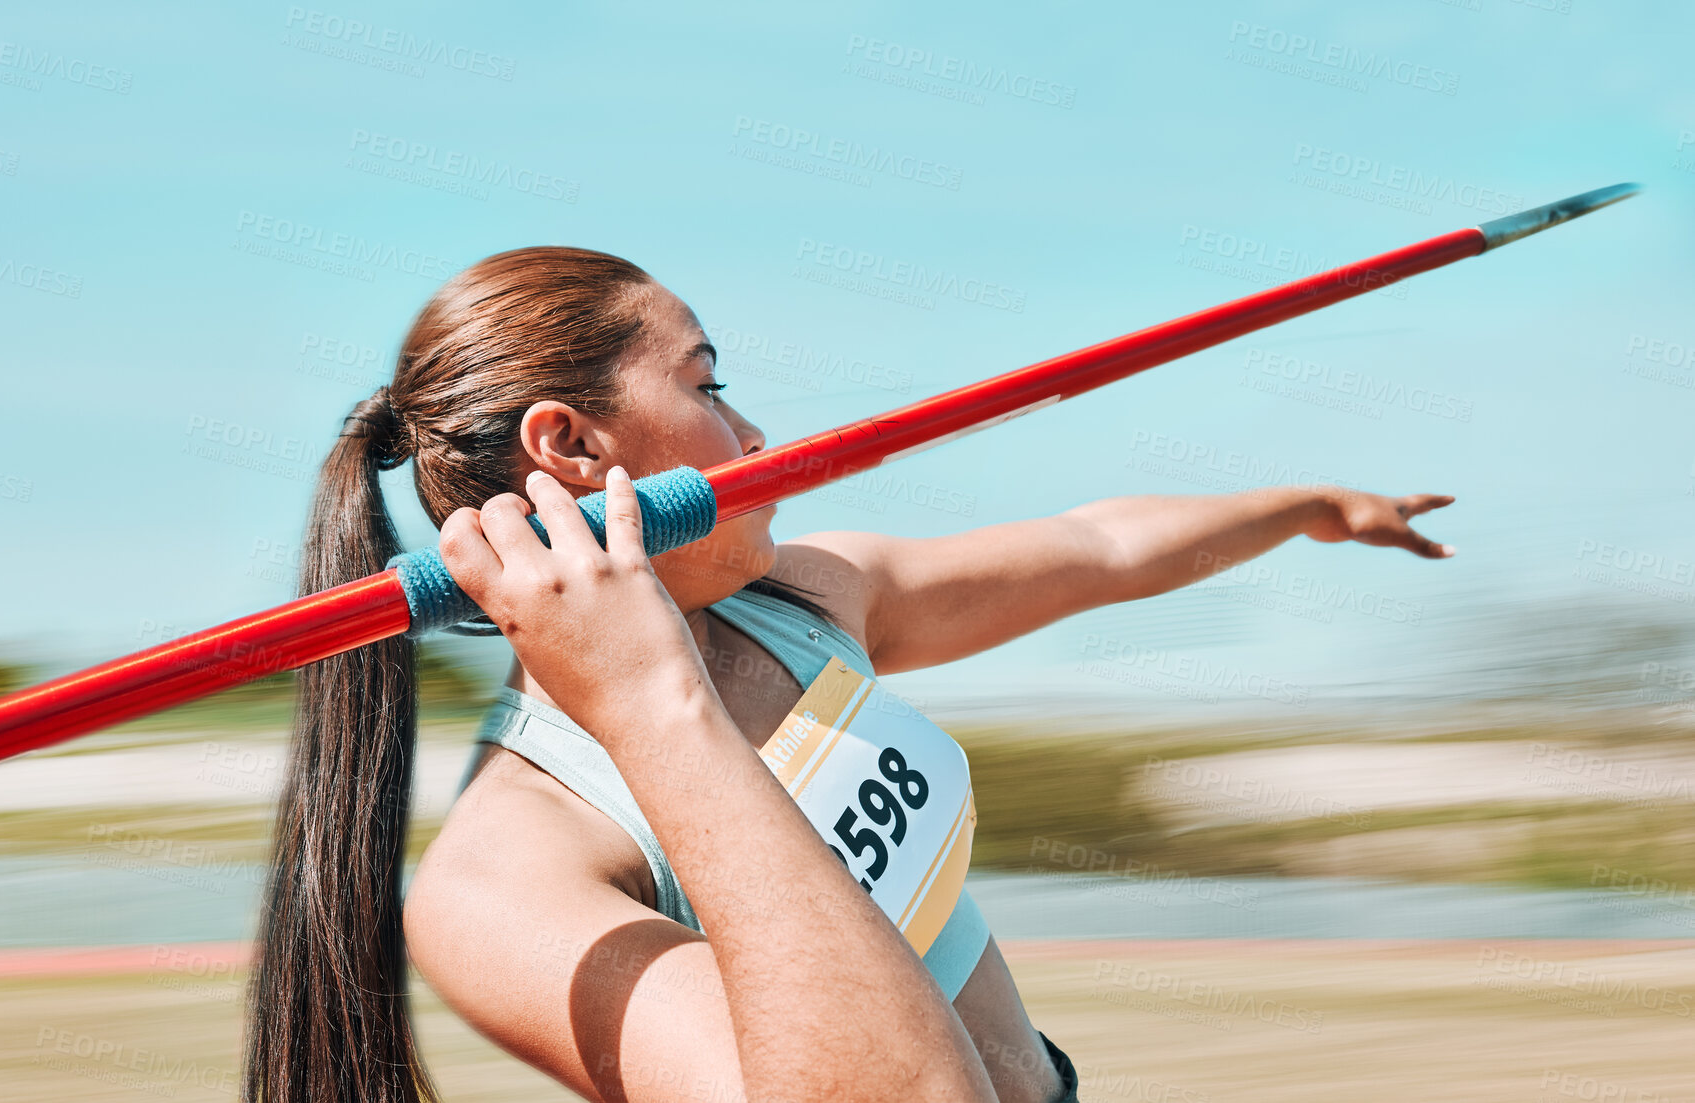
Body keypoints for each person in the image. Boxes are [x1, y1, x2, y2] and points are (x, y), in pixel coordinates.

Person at [240, 245, 1454, 1103]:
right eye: (708, 384)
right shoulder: (505, 879)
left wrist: (1303, 506)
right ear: (572, 444)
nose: (756, 437)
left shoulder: (806, 602)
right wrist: (651, 705)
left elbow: (1099, 548)